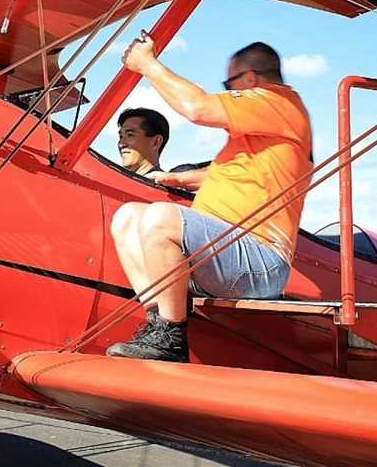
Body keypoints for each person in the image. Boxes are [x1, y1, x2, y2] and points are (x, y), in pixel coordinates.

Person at [108, 41, 312, 362]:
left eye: (228, 85)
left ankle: (171, 338)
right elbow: (230, 176)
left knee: (160, 217)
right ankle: (159, 323)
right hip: (229, 258)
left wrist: (147, 64)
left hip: (259, 261)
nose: (228, 93)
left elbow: (197, 108)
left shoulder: (275, 101)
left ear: (249, 79)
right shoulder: (262, 134)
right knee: (128, 216)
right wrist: (172, 179)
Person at [117, 107, 169, 178]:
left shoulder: (162, 187)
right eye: (121, 136)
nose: (121, 144)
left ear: (156, 142)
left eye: (130, 135)